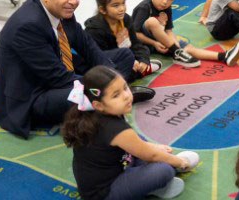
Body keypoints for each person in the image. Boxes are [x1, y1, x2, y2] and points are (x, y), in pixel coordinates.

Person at [0, 0, 154, 139]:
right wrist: (108, 85)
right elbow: (57, 77)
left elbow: (89, 47)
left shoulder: (61, 9)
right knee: (77, 95)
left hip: (63, 70)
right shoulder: (27, 26)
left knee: (124, 56)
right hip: (35, 95)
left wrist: (110, 79)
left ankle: (109, 97)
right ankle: (112, 96)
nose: (73, 1)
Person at [62, 66, 199, 200]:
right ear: (99, 105)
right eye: (116, 95)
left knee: (139, 140)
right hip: (105, 192)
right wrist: (180, 162)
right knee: (165, 170)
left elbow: (136, 145)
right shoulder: (113, 128)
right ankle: (153, 186)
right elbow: (151, 155)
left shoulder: (95, 113)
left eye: (125, 87)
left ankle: (145, 180)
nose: (126, 96)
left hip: (115, 167)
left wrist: (152, 147)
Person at [132, 0, 239, 67]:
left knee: (189, 48)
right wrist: (154, 43)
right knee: (152, 21)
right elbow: (134, 35)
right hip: (144, 44)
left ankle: (224, 56)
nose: (165, 1)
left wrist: (174, 44)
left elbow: (169, 31)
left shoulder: (167, 8)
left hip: (162, 42)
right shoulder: (144, 7)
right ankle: (177, 52)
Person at [85, 0, 162, 78]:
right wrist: (131, 61)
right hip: (103, 65)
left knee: (143, 51)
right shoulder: (94, 29)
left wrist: (143, 60)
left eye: (123, 3)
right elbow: (99, 59)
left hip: (125, 59)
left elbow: (136, 44)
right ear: (102, 9)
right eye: (116, 5)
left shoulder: (126, 19)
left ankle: (140, 69)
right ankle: (138, 72)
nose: (122, 8)